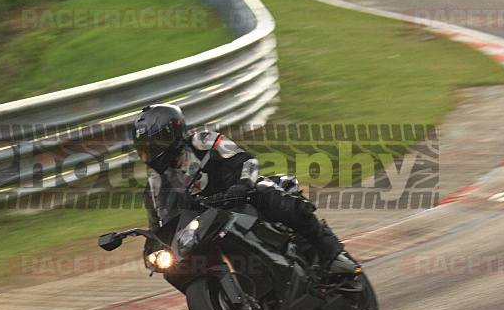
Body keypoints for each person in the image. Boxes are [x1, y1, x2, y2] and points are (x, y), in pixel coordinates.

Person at [132, 103, 348, 273]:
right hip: (207, 225)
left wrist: (243, 185)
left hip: (242, 196)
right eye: (145, 148)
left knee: (277, 201)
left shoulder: (202, 141)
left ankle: (328, 249)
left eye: (155, 145)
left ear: (173, 132)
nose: (150, 153)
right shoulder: (156, 184)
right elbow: (160, 224)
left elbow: (245, 160)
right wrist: (154, 245)